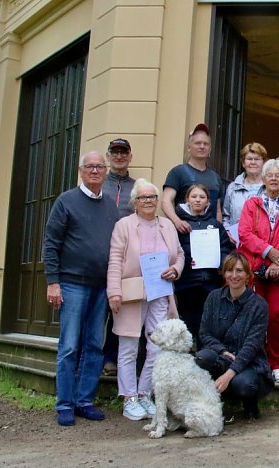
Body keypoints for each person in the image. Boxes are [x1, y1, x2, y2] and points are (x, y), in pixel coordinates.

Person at [43, 151, 119, 426]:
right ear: (81, 170)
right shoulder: (66, 201)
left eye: (100, 166)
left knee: (94, 346)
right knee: (69, 346)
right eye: (90, 167)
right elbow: (51, 243)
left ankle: (84, 401)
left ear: (106, 171)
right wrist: (53, 281)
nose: (96, 171)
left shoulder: (111, 206)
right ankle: (64, 404)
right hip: (72, 284)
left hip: (101, 287)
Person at [106, 179, 185, 421]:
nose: (149, 201)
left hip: (160, 290)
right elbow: (115, 259)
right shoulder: (124, 225)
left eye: (152, 197)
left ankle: (144, 394)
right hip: (131, 293)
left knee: (156, 347)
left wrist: (175, 269)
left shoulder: (167, 226)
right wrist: (114, 291)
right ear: (135, 202)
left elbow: (179, 254)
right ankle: (129, 397)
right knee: (129, 347)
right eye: (143, 197)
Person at [237, 159, 279, 383]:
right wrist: (268, 252)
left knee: (277, 314)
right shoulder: (251, 204)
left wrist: (277, 262)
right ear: (263, 179)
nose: (273, 178)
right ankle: (255, 361)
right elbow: (244, 234)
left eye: (278, 175)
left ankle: (277, 364)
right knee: (253, 316)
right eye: (269, 175)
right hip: (254, 267)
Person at [195, 252, 274, 420]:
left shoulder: (259, 305)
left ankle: (250, 404)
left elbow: (252, 346)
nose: (234, 275)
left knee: (243, 385)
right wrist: (222, 351)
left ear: (248, 275)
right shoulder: (213, 297)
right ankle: (210, 405)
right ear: (224, 273)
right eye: (229, 270)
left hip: (249, 362)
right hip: (221, 356)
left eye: (239, 271)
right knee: (202, 358)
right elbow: (204, 333)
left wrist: (229, 374)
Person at [174, 184, 233, 348]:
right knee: (188, 321)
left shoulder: (216, 225)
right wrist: (186, 262)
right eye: (194, 197)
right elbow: (174, 251)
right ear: (187, 200)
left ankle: (205, 357)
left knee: (207, 323)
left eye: (202, 197)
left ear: (208, 202)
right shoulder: (179, 225)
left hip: (210, 283)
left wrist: (218, 261)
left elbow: (225, 249)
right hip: (187, 283)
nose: (198, 200)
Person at [101, 137, 136, 378]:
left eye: (123, 152)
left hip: (125, 259)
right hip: (98, 255)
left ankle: (111, 357)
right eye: (115, 152)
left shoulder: (137, 187)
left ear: (130, 156)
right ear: (108, 156)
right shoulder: (98, 184)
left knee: (119, 310)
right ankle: (91, 359)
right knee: (96, 311)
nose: (119, 156)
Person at [162, 123, 226, 230]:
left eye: (205, 144)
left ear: (210, 149)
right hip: (185, 233)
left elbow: (218, 210)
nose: (202, 146)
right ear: (189, 147)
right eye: (198, 143)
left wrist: (219, 232)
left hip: (209, 236)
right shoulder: (178, 172)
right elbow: (166, 201)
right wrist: (177, 222)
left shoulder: (215, 177)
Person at [223, 142, 268, 230]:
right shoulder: (232, 187)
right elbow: (226, 217)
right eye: (249, 159)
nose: (253, 162)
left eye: (257, 159)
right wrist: (228, 232)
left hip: (266, 241)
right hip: (237, 240)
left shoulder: (274, 185)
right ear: (243, 163)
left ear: (264, 162)